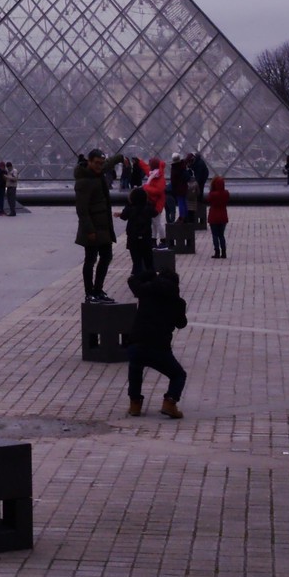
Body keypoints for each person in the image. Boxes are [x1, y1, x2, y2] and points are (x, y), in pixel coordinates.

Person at [124, 268, 189, 418]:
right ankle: (170, 402)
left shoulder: (146, 292)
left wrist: (148, 273)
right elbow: (181, 324)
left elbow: (132, 280)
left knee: (135, 367)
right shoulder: (178, 302)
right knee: (178, 375)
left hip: (136, 342)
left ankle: (135, 404)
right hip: (159, 347)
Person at [74, 151, 119, 303]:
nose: (101, 165)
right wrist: (90, 230)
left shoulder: (97, 173)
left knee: (106, 257)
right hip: (93, 228)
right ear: (89, 162)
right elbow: (82, 209)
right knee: (90, 260)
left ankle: (98, 290)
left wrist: (120, 158)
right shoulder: (84, 181)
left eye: (102, 163)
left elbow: (108, 164)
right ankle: (89, 293)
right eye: (97, 163)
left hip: (103, 226)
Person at [122, 187, 158, 279]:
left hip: (133, 238)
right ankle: (152, 280)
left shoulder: (130, 208)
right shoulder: (148, 208)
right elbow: (155, 213)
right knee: (149, 261)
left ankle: (138, 282)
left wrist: (128, 205)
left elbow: (123, 216)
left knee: (137, 262)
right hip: (146, 238)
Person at [206, 176, 230, 257]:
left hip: (214, 216)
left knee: (215, 235)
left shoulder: (212, 194)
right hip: (223, 216)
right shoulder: (226, 193)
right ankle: (224, 252)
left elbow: (208, 200)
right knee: (221, 235)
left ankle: (217, 252)